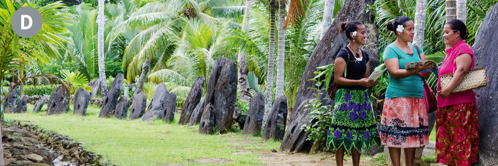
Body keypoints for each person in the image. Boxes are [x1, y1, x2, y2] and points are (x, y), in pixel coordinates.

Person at [379, 16, 434, 166]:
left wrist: (426, 68)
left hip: (417, 97)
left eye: (413, 29)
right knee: (395, 135)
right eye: (409, 29)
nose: (412, 32)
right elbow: (395, 72)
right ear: (399, 31)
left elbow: (424, 70)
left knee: (412, 136)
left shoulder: (416, 48)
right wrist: (417, 69)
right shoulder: (391, 49)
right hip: (398, 97)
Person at [326, 21, 380, 166]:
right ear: (352, 35)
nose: (365, 35)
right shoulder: (343, 54)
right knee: (342, 133)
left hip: (362, 98)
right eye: (362, 32)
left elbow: (366, 75)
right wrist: (359, 82)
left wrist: (370, 82)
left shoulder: (365, 55)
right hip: (346, 99)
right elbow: (338, 79)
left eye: (365, 32)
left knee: (358, 134)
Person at [436, 19, 479, 166]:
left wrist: (448, 89)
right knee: (450, 140)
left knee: (460, 140)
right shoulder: (452, 51)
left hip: (460, 104)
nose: (444, 35)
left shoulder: (463, 49)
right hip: (448, 102)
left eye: (447, 32)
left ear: (457, 33)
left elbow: (461, 70)